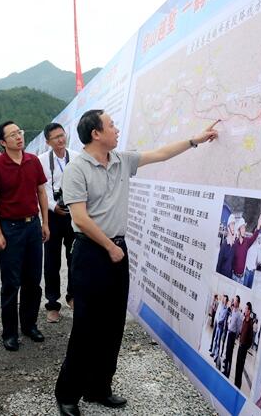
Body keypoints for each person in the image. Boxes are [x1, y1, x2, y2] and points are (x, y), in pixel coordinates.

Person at [54, 110, 218, 416]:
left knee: (113, 323)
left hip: (117, 248)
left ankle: (99, 389)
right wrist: (108, 247)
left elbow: (160, 154)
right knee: (87, 326)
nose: (116, 129)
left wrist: (195, 140)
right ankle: (67, 394)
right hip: (91, 253)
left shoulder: (121, 160)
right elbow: (79, 218)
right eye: (111, 125)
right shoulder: (76, 169)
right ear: (95, 134)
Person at [0, 121, 50, 351]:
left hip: (33, 226)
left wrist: (45, 222)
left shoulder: (32, 161)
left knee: (33, 281)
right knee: (11, 282)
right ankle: (9, 332)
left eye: (20, 132)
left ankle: (29, 325)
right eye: (13, 135)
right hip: (10, 228)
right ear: (3, 142)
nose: (18, 137)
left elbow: (41, 192)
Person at [38, 123, 79, 322]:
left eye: (62, 135)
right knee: (52, 261)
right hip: (52, 215)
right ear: (48, 141)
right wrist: (54, 206)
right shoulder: (42, 161)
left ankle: (72, 296)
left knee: (75, 258)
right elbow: (42, 189)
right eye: (56, 137)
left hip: (74, 213)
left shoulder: (77, 157)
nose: (61, 140)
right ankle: (52, 304)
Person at [232, 212, 261, 285]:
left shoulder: (247, 242)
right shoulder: (234, 244)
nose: (244, 229)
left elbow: (254, 237)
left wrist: (259, 224)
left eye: (244, 227)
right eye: (242, 228)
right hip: (233, 276)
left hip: (241, 278)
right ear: (238, 230)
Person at [234, 301, 254, 389]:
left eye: (246, 308)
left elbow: (251, 340)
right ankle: (235, 384)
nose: (244, 310)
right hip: (240, 346)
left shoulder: (250, 323)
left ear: (249, 311)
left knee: (240, 368)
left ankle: (238, 386)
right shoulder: (244, 320)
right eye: (245, 308)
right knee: (237, 366)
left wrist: (245, 348)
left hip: (243, 349)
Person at [222, 295, 241, 377]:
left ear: (238, 303)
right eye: (234, 300)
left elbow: (239, 327)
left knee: (230, 354)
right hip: (229, 333)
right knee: (227, 352)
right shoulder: (233, 311)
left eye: (236, 301)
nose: (234, 302)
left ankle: (228, 372)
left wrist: (235, 335)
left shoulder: (239, 314)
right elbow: (230, 321)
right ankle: (225, 369)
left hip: (233, 335)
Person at [216, 214, 236, 279]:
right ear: (228, 227)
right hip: (222, 278)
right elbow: (218, 265)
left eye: (234, 224)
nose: (233, 227)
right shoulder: (224, 246)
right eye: (231, 224)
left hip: (229, 278)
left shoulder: (233, 245)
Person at [210, 295, 229, 359]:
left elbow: (223, 318)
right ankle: (213, 352)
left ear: (226, 301)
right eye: (223, 299)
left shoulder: (226, 309)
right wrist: (217, 320)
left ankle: (216, 355)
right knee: (215, 339)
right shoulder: (221, 307)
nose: (223, 300)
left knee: (218, 341)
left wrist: (218, 321)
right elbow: (218, 315)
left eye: (225, 300)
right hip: (217, 325)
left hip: (221, 327)